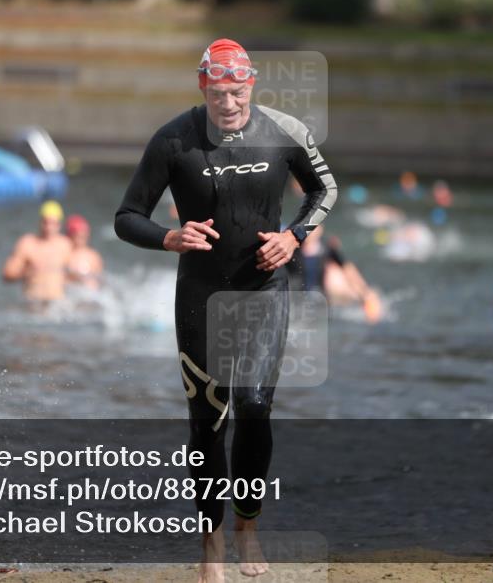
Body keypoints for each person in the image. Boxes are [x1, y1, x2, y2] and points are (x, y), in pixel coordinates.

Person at [115, 38, 337, 582]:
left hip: (264, 292)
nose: (230, 103)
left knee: (254, 406)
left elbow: (324, 190)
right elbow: (127, 216)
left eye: (238, 92)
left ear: (252, 85)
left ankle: (247, 526)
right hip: (200, 296)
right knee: (207, 423)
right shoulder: (174, 140)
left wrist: (295, 237)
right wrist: (169, 238)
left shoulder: (285, 131)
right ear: (202, 86)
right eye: (219, 93)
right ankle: (210, 543)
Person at [287, 225, 382, 323]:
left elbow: (348, 269)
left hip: (321, 300)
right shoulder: (292, 249)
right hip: (296, 299)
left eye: (314, 228)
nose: (310, 233)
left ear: (320, 229)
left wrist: (365, 294)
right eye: (306, 228)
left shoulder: (327, 247)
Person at [2, 200, 74, 303]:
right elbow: (7, 274)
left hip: (56, 307)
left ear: (59, 225)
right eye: (46, 222)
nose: (49, 228)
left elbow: (75, 273)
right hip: (32, 305)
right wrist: (26, 272)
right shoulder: (27, 244)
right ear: (40, 222)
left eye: (53, 223)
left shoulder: (65, 245)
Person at [64, 214, 103, 290]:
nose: (82, 238)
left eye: (84, 235)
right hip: (73, 294)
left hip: (91, 295)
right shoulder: (65, 254)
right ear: (69, 235)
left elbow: (100, 279)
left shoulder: (94, 256)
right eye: (78, 236)